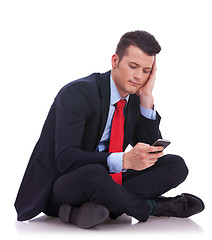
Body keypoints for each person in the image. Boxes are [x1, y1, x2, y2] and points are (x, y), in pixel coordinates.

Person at [15, 30, 204, 229]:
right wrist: (123, 160)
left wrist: (147, 99)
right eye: (133, 66)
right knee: (95, 174)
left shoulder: (134, 99)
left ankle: (90, 208)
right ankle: (153, 207)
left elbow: (150, 151)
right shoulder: (77, 93)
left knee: (175, 165)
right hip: (64, 183)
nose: (138, 76)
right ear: (115, 61)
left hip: (107, 181)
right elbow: (66, 160)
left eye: (146, 71)